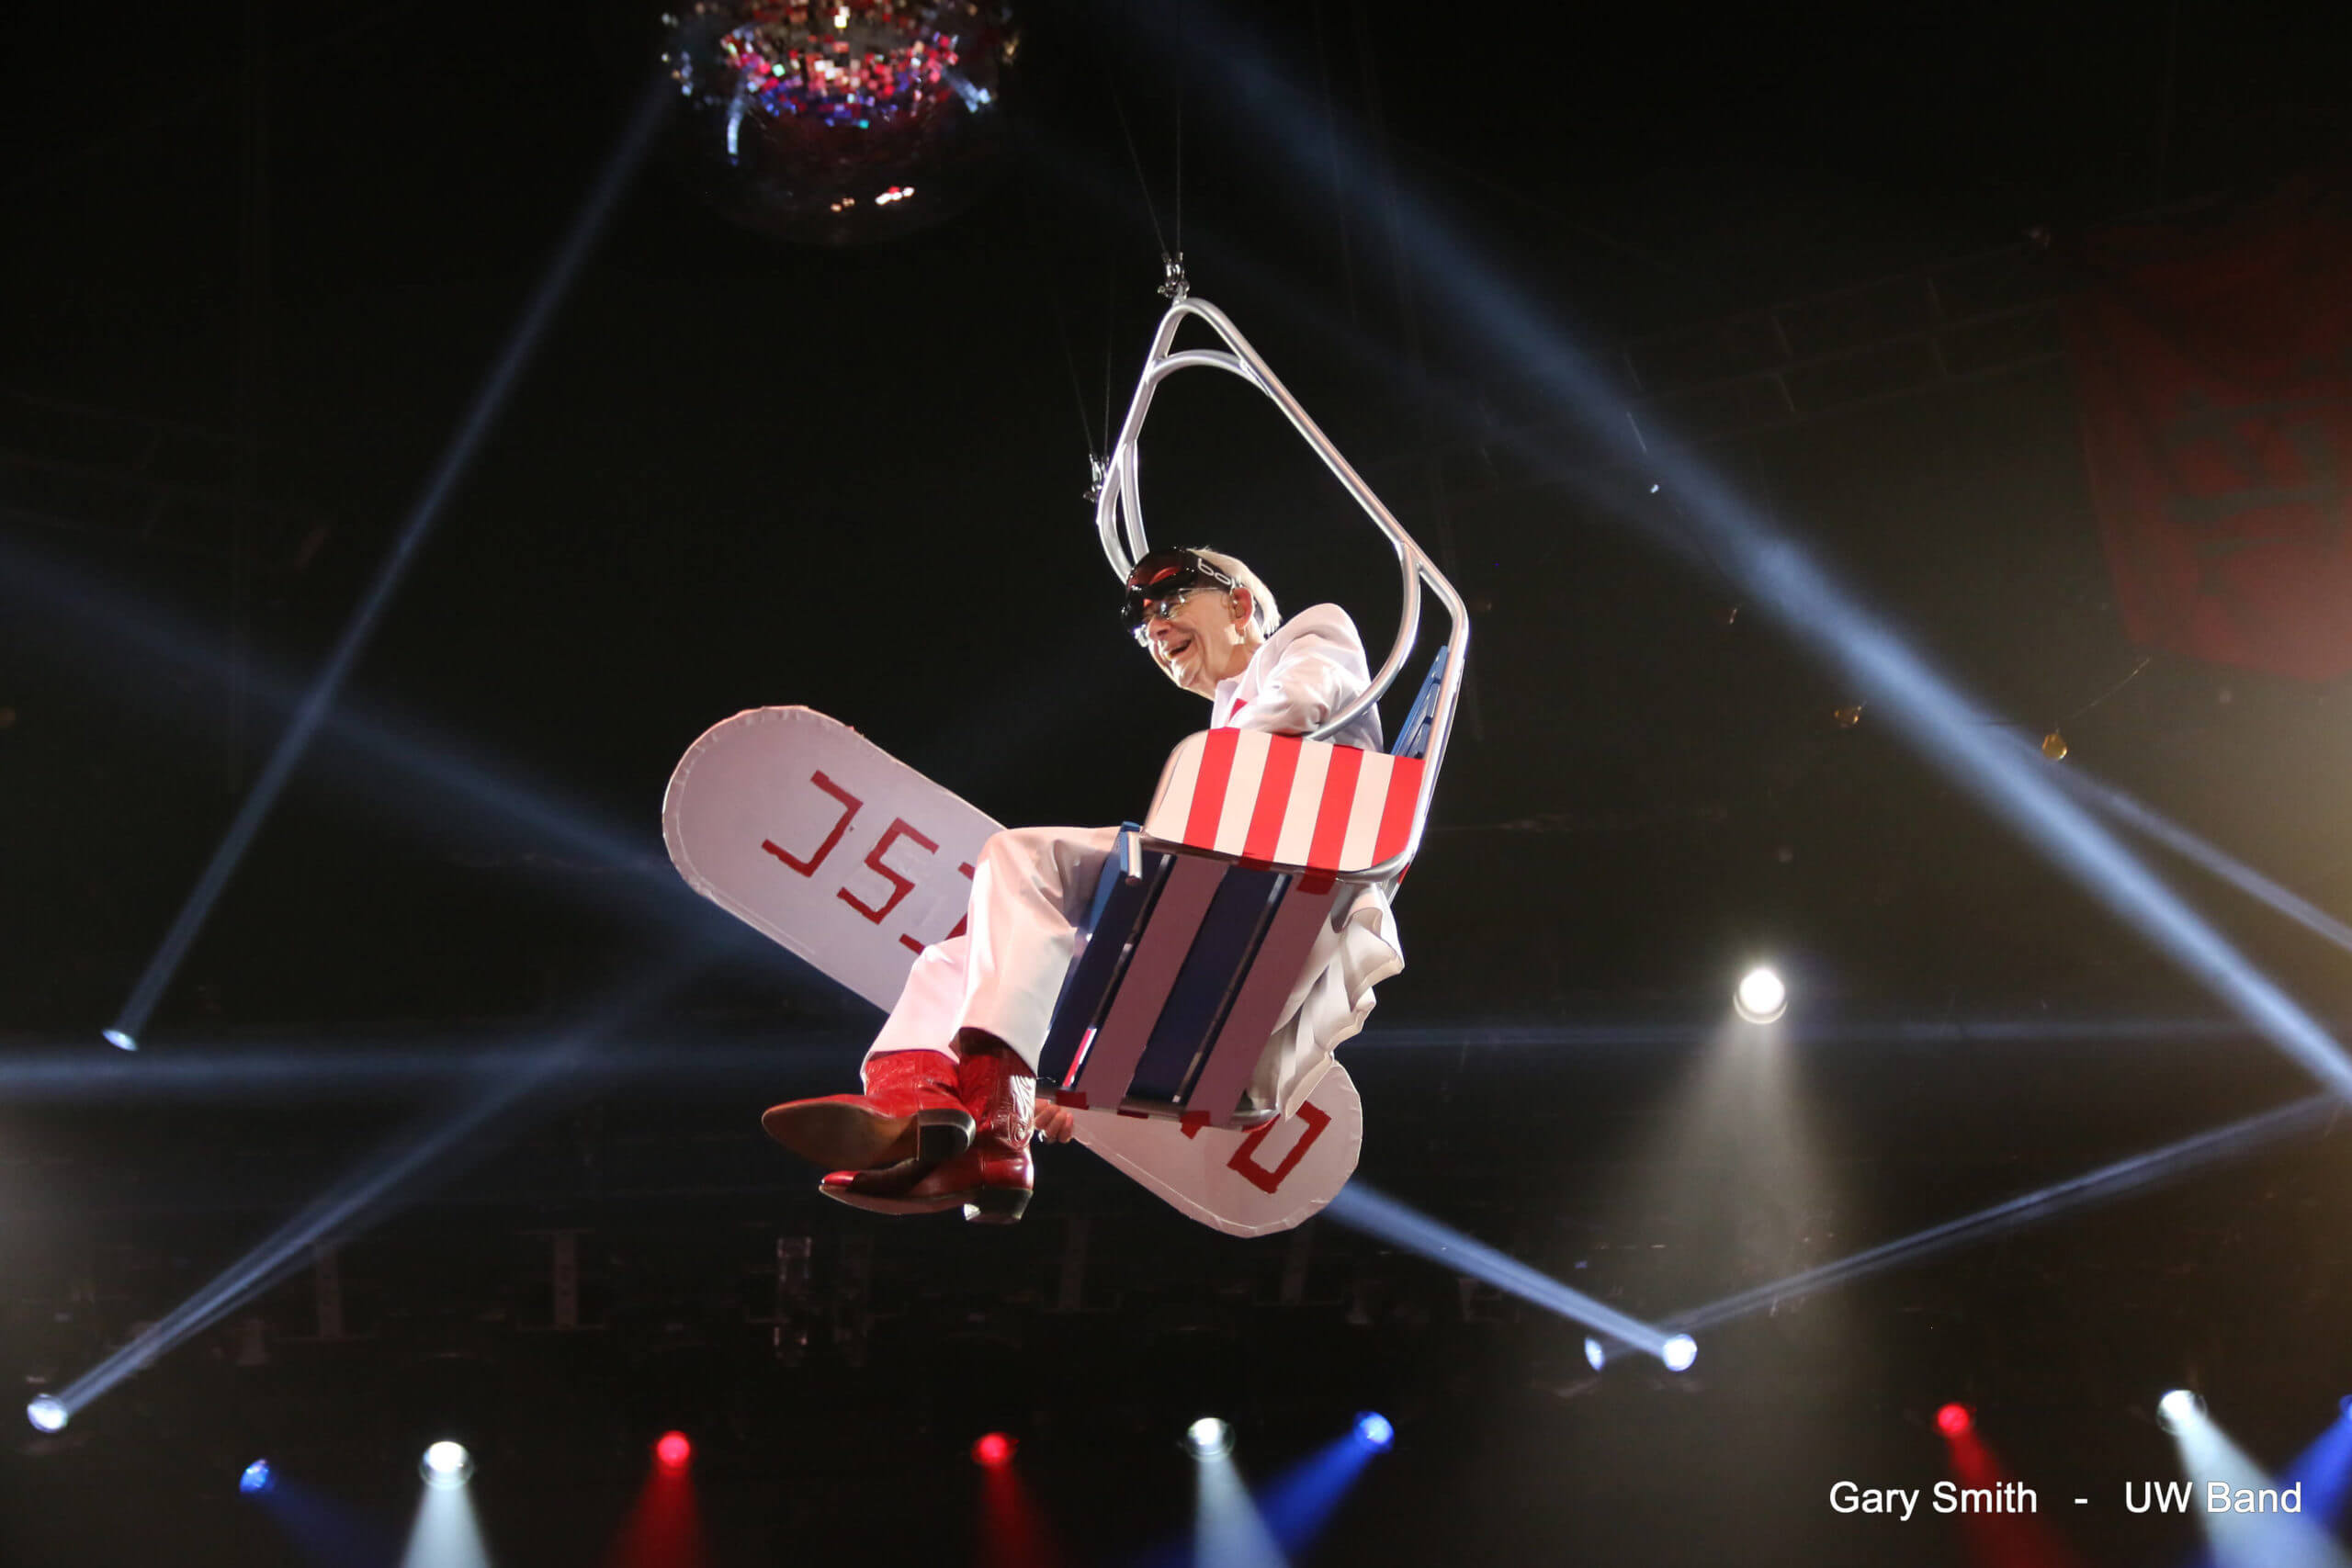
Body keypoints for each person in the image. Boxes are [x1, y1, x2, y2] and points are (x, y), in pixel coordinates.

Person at [760, 547, 1403, 1223]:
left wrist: (1189, 804)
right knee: (955, 958)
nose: (1153, 625)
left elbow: (1301, 702)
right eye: (1139, 619)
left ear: (1241, 604)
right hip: (1223, 922)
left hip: (1266, 901)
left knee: (1017, 860)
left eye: (1171, 597)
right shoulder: (1228, 714)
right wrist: (1070, 1094)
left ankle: (993, 1121)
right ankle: (927, 1101)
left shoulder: (1309, 637)